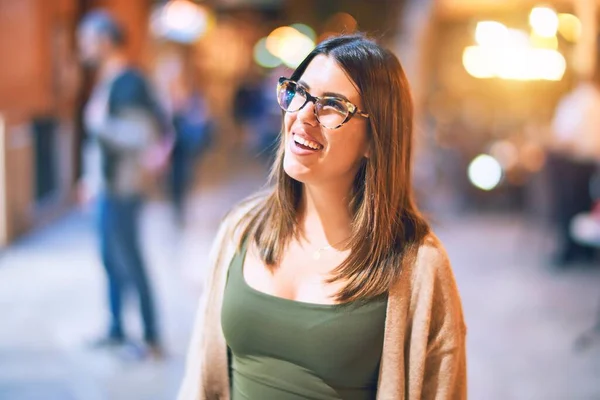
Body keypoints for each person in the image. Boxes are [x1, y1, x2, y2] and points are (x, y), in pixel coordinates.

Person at [178, 34, 467, 399]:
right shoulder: (242, 228)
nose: (303, 115)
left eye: (332, 105)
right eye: (299, 92)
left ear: (374, 139)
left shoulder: (419, 263)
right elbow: (200, 378)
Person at [77, 10, 163, 358]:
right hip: (106, 188)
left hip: (124, 189)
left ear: (104, 41)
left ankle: (150, 337)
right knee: (111, 260)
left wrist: (100, 125)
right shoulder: (109, 79)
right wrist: (89, 179)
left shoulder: (130, 82)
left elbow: (142, 136)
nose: (81, 48)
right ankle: (116, 329)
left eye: (85, 40)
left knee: (130, 260)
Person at [547, 66, 600, 266]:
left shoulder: (577, 102)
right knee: (584, 207)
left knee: (569, 210)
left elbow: (564, 135)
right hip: (590, 163)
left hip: (572, 162)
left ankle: (571, 250)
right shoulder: (594, 99)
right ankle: (584, 251)